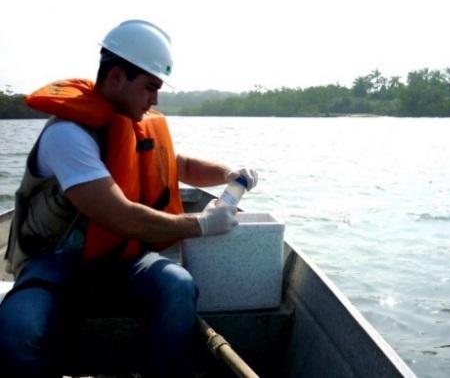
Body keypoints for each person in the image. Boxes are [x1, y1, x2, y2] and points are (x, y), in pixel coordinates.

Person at [0, 19, 258, 378]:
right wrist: (200, 224)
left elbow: (178, 164)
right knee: (19, 329)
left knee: (178, 285)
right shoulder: (68, 136)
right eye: (150, 87)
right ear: (117, 77)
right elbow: (120, 216)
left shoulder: (134, 123)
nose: (155, 99)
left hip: (120, 261)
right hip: (54, 263)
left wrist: (229, 174)